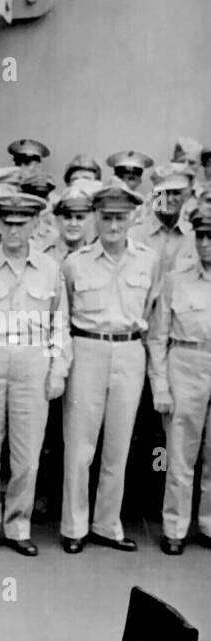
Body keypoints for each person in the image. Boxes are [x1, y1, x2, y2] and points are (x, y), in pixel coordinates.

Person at [0, 192, 68, 556]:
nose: (14, 230)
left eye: (22, 223)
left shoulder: (51, 269)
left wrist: (57, 371)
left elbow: (59, 324)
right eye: (7, 222)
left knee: (27, 455)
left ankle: (18, 525)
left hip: (32, 360)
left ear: (35, 224)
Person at [58, 183, 158, 554]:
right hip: (87, 348)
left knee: (117, 445)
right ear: (95, 219)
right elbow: (63, 315)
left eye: (120, 218)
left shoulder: (148, 260)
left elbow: (152, 310)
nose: (114, 226)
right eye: (106, 218)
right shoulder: (75, 262)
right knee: (80, 446)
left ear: (132, 218)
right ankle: (74, 526)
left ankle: (106, 524)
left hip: (130, 350)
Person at [149, 209, 211, 554]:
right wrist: (160, 385)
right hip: (185, 362)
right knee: (179, 452)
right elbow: (158, 336)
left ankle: (208, 523)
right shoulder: (177, 279)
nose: (205, 244)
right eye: (200, 236)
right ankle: (174, 526)